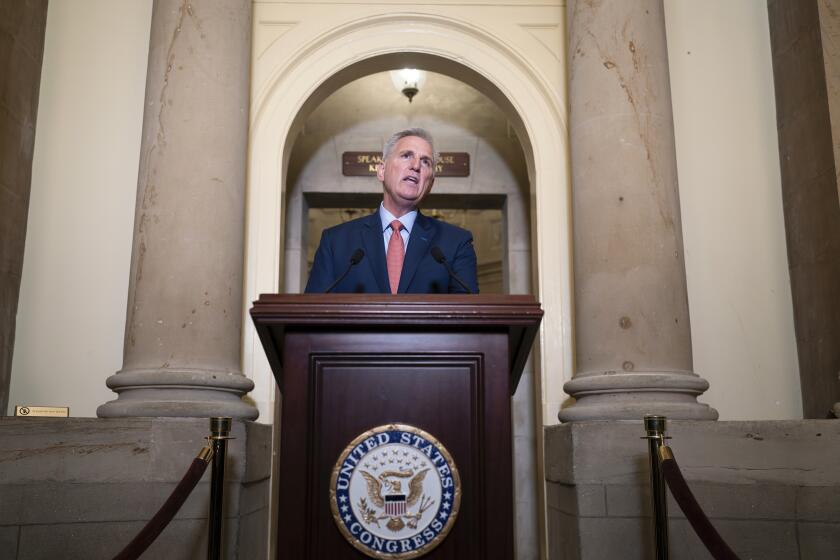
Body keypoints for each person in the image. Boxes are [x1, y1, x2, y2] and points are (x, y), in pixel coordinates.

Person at [305, 128, 479, 294]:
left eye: (426, 162)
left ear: (430, 184)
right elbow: (312, 314)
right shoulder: (336, 242)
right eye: (406, 155)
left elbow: (470, 318)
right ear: (381, 171)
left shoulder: (456, 243)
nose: (416, 166)